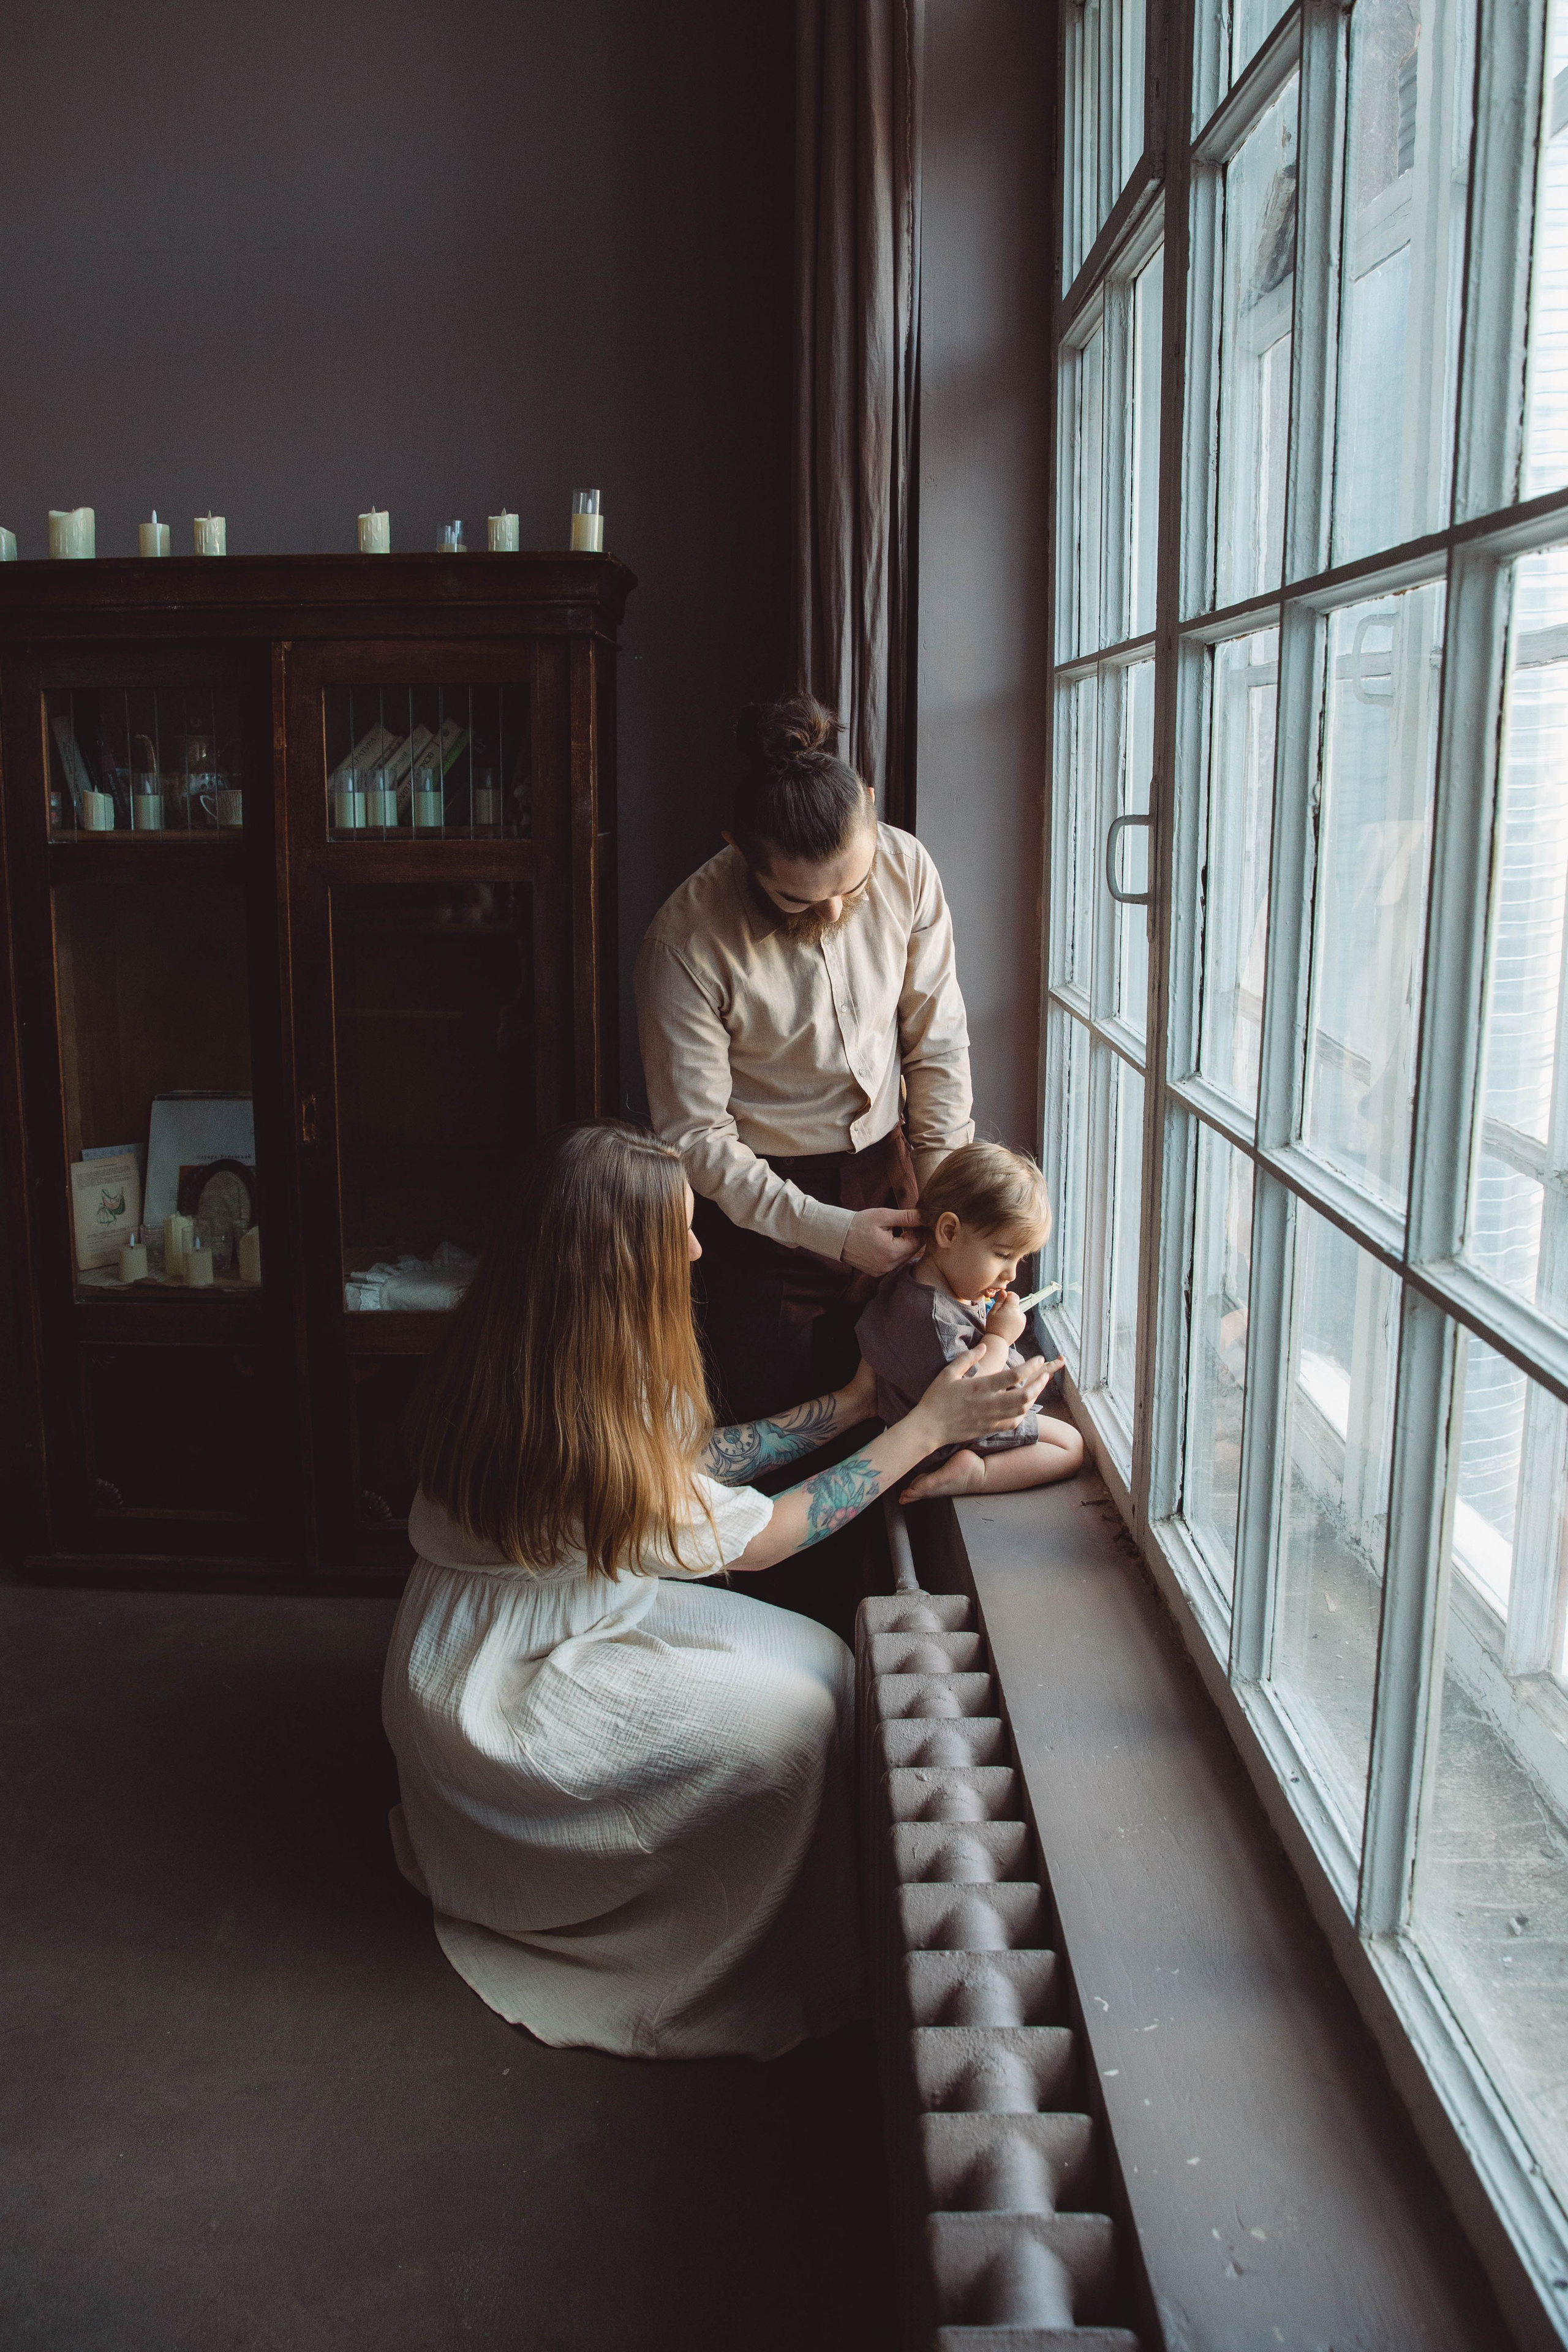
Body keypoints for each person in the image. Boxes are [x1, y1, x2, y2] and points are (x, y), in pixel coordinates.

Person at [382, 1121, 1048, 2062]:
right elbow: (766, 1539)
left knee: (822, 1662)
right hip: (503, 1686)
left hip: (539, 1612)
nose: (697, 1249)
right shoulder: (573, 1419)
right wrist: (926, 1426)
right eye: (680, 1233)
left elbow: (691, 1468)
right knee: (788, 1733)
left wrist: (853, 1408)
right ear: (620, 1260)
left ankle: (788, 1915)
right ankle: (726, 1942)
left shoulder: (542, 1341)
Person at [634, 692, 974, 1429]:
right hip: (761, 1214)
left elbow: (936, 1043)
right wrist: (829, 1231)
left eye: (850, 888)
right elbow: (693, 1137)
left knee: (892, 1410)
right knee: (782, 1433)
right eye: (795, 900)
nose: (830, 915)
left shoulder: (907, 864)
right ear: (738, 847)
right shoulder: (683, 944)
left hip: (894, 1168)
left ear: (872, 808)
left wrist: (951, 1204)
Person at [856, 1141, 1085, 1503]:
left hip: (917, 1427)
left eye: (1019, 1259)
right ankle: (976, 1475)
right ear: (948, 1233)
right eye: (1002, 1254)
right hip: (944, 1441)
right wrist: (998, 1337)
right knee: (1070, 1446)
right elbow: (971, 1392)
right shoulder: (933, 1319)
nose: (1010, 1274)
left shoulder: (915, 1280)